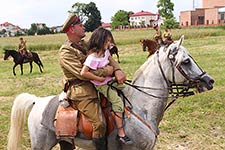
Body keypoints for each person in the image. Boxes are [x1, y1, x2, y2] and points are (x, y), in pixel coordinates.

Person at [59, 13, 126, 150]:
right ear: (72, 29)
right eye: (80, 25)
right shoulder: (66, 52)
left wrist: (118, 69)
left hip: (100, 85)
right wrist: (108, 71)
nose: (84, 27)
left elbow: (104, 54)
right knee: (99, 123)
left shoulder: (85, 44)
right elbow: (82, 74)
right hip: (82, 91)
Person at [80, 27, 133, 145]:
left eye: (110, 41)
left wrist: (117, 71)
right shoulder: (92, 57)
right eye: (107, 41)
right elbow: (83, 72)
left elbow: (110, 60)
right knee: (117, 102)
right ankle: (121, 133)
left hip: (109, 80)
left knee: (128, 88)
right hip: (102, 85)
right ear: (99, 40)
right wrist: (98, 78)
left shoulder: (106, 53)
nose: (109, 44)